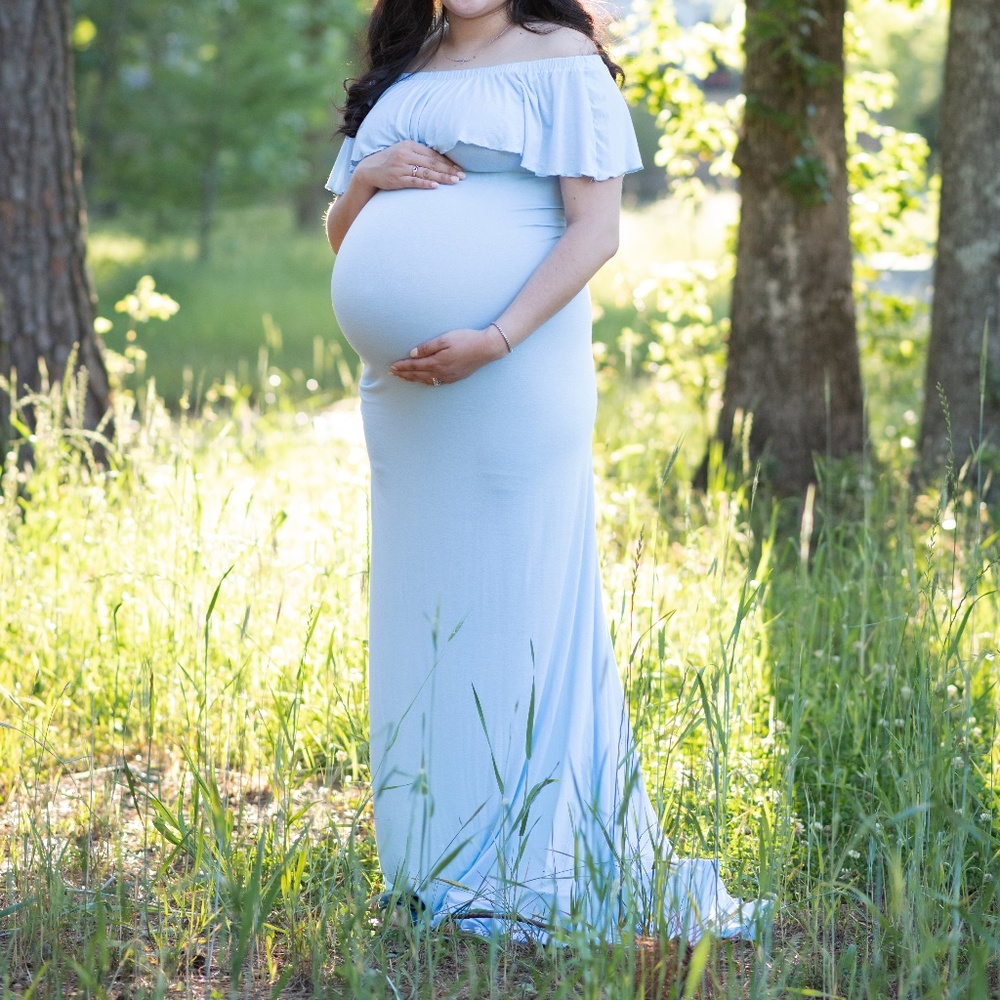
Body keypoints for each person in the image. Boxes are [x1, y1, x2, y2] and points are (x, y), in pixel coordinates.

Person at [324, 0, 770, 943]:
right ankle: (433, 859)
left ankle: (527, 857)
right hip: (405, 401)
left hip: (512, 373)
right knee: (423, 610)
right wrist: (365, 177)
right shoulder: (408, 60)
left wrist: (493, 338)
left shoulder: (563, 56)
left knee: (514, 603)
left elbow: (594, 231)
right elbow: (341, 237)